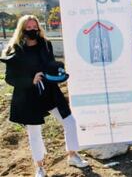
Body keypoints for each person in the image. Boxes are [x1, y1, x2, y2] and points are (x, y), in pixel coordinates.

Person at [0, 15, 89, 177]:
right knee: (34, 131)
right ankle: (39, 166)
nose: (32, 30)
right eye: (28, 27)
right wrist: (30, 80)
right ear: (22, 29)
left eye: (35, 27)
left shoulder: (46, 45)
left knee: (69, 121)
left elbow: (50, 64)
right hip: (28, 96)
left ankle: (73, 155)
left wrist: (58, 69)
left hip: (50, 92)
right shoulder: (15, 50)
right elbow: (9, 78)